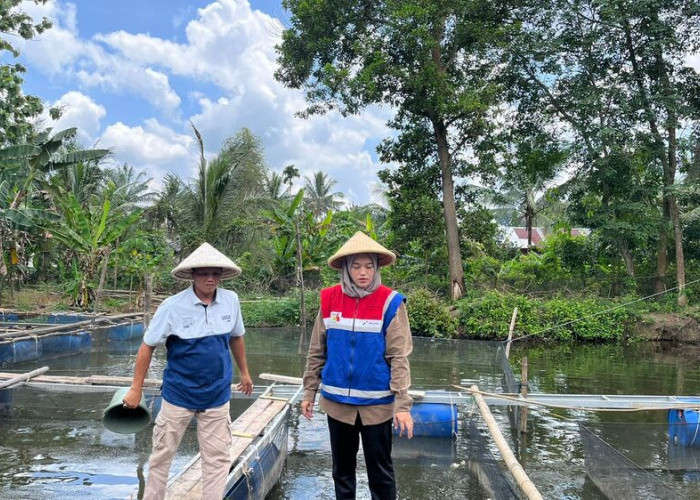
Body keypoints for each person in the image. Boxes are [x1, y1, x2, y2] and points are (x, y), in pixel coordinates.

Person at [122, 242, 253, 500]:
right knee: (162, 455)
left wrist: (245, 373)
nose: (210, 278)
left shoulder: (231, 301)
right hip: (178, 394)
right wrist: (135, 388)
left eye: (215, 273)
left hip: (217, 395)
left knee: (217, 458)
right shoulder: (172, 306)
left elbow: (236, 337)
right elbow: (147, 346)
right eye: (204, 273)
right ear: (192, 275)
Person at [301, 231, 414, 500]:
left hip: (377, 405)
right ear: (345, 268)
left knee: (381, 474)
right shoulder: (329, 300)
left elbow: (399, 357)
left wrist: (402, 405)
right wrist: (309, 391)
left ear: (376, 267)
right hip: (337, 404)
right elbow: (317, 350)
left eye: (368, 266)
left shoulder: (390, 302)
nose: (362, 272)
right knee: (342, 472)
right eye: (356, 266)